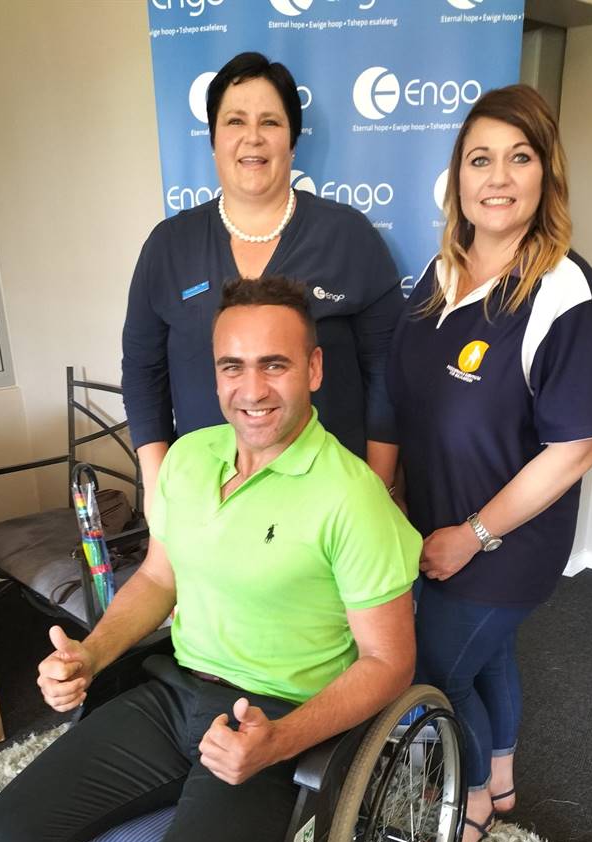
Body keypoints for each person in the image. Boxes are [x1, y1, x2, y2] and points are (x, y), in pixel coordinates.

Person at [0, 276, 421, 842]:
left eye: (275, 364)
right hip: (176, 688)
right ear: (214, 374)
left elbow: (391, 662)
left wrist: (279, 740)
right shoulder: (189, 458)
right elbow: (158, 580)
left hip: (272, 719)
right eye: (232, 366)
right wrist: (90, 655)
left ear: (315, 369)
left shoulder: (352, 499)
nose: (252, 389)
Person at [386, 84, 592, 842]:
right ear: (458, 176)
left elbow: (576, 448)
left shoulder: (566, 293)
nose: (498, 177)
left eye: (520, 158)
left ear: (547, 174)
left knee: (433, 670)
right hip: (435, 517)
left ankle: (473, 796)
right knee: (490, 656)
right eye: (480, 159)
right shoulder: (440, 271)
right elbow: (405, 391)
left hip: (505, 540)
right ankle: (504, 777)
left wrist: (473, 534)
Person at [121, 51, 403, 510]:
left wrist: (377, 485)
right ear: (213, 139)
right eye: (235, 121)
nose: (252, 137)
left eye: (270, 122)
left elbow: (386, 371)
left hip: (329, 503)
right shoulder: (169, 246)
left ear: (292, 142)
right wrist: (157, 488)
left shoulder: (349, 236)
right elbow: (142, 372)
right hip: (208, 503)